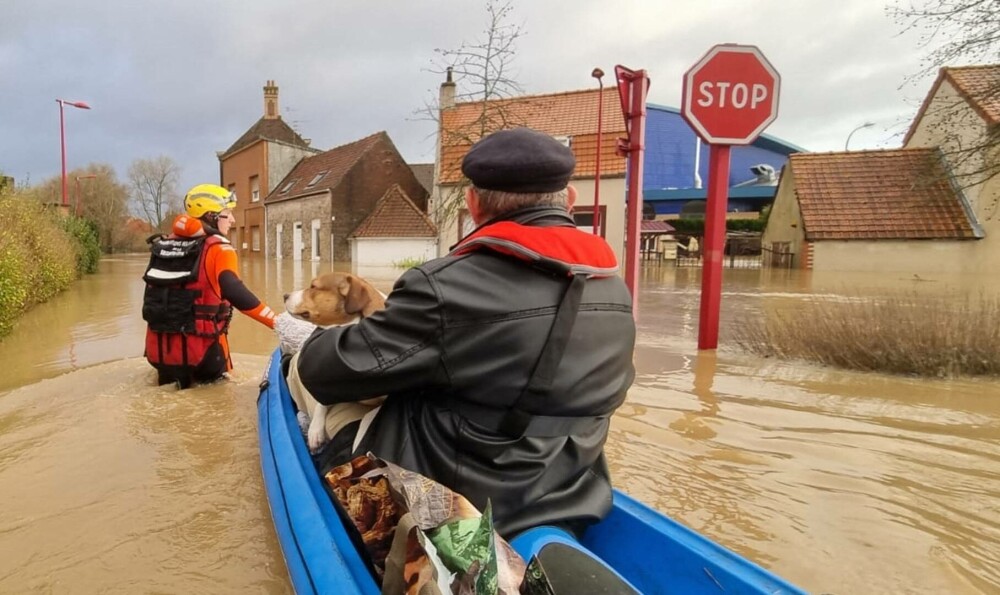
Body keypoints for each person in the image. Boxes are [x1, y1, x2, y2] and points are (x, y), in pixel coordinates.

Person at [287, 127, 636, 538]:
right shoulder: (615, 288)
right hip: (570, 490)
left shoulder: (442, 286)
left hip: (456, 501)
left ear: (473, 204)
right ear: (570, 200)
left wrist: (311, 341)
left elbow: (324, 371)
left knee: (302, 375)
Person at [142, 183, 276, 388]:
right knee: (220, 405)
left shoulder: (164, 245)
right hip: (204, 354)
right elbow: (234, 291)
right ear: (211, 216)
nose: (232, 219)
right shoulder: (219, 248)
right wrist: (278, 323)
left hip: (161, 353)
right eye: (227, 213)